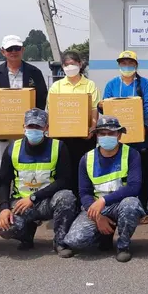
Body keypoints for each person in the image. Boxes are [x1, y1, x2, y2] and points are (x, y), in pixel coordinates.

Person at [0, 108, 78, 254]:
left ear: (46, 128)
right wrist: (4, 208)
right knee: (3, 228)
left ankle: (60, 242)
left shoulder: (58, 147)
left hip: (47, 200)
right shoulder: (12, 149)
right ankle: (26, 236)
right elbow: (3, 182)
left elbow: (64, 180)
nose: (33, 129)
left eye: (38, 126)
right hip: (20, 203)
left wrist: (34, 198)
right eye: (30, 126)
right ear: (24, 127)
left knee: (67, 197)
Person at [63, 116, 144, 262]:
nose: (106, 137)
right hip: (96, 207)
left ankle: (123, 246)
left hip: (120, 204)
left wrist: (104, 200)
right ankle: (104, 236)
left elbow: (134, 187)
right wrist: (97, 217)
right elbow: (84, 193)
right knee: (75, 240)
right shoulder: (86, 159)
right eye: (102, 133)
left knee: (131, 204)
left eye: (111, 133)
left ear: (119, 135)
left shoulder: (132, 154)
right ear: (97, 136)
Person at [101, 50, 148, 225]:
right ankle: (117, 208)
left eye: (130, 63)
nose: (127, 66)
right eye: (123, 63)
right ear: (119, 65)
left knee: (142, 175)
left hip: (140, 137)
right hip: (117, 138)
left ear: (136, 65)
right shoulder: (111, 84)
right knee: (120, 174)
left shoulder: (144, 84)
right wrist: (101, 105)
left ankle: (142, 210)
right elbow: (106, 110)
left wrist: (143, 129)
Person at [0, 34, 48, 166]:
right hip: (1, 129)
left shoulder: (35, 72)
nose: (13, 52)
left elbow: (42, 98)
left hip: (28, 129)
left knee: (26, 164)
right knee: (1, 165)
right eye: (9, 49)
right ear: (3, 52)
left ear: (22, 50)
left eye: (17, 48)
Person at [46, 50, 100, 196]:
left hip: (85, 137)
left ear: (80, 64)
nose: (70, 67)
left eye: (73, 64)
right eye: (66, 65)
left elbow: (94, 109)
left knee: (83, 170)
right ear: (63, 67)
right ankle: (65, 200)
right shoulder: (56, 86)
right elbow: (51, 111)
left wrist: (92, 128)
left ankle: (84, 200)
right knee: (64, 171)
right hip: (62, 137)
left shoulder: (90, 85)